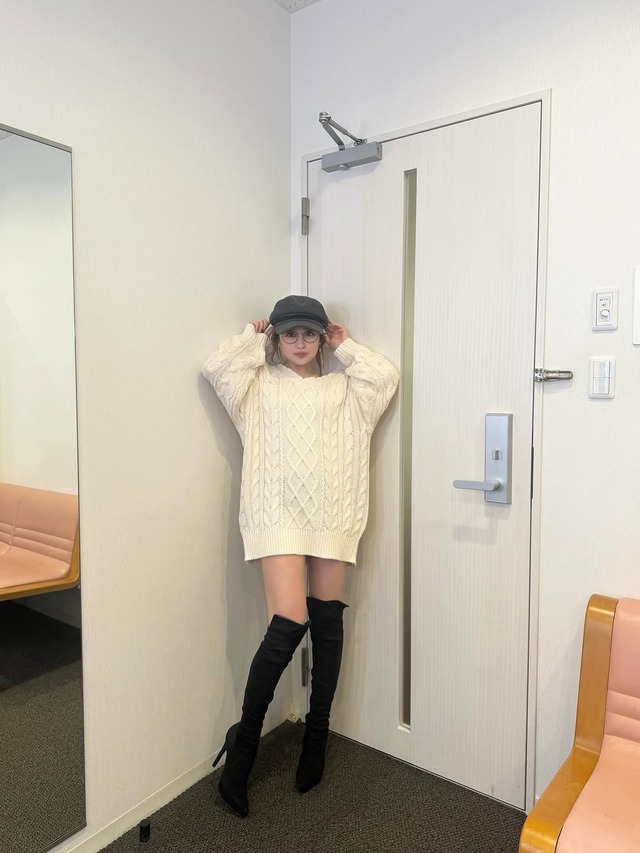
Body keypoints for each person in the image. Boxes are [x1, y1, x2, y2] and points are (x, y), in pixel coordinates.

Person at [202, 294, 399, 818]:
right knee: (288, 623)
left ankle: (317, 735)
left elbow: (385, 377)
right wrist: (251, 338)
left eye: (309, 333)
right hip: (276, 517)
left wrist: (346, 346)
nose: (299, 343)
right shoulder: (257, 386)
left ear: (321, 337)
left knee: (328, 622)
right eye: (288, 333)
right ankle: (244, 744)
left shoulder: (345, 389)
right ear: (277, 336)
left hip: (333, 517)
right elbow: (217, 369)